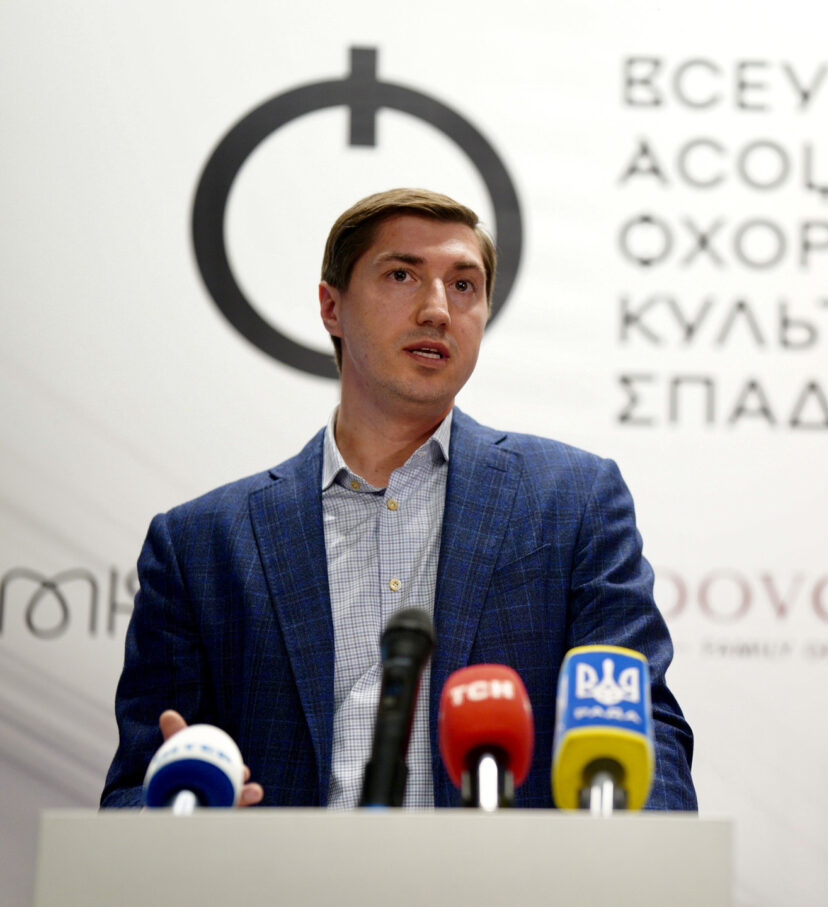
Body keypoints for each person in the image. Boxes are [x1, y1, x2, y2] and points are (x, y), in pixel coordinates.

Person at [101, 188, 697, 810]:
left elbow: (645, 730)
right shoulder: (201, 546)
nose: (438, 310)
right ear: (331, 307)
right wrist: (183, 814)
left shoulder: (572, 501)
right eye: (402, 275)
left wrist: (636, 853)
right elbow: (134, 790)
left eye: (463, 285)